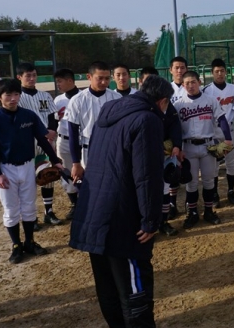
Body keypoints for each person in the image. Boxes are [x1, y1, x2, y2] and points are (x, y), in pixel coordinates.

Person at [69, 75, 173, 328]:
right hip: (122, 218)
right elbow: (146, 175)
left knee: (108, 285)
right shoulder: (147, 119)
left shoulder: (109, 110)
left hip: (94, 211)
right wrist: (150, 220)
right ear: (162, 101)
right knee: (133, 289)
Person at [0, 78, 63, 264]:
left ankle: (30, 242)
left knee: (29, 207)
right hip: (5, 168)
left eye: (16, 94)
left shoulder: (28, 115)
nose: (13, 98)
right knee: (11, 209)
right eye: (8, 95)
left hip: (27, 166)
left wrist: (55, 161)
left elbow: (43, 140)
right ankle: (16, 245)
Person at [173, 70, 233, 229]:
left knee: (208, 180)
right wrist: (178, 147)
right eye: (187, 83)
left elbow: (222, 119)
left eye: (193, 82)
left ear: (199, 82)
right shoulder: (178, 105)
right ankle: (192, 213)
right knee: (191, 183)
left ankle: (208, 211)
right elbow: (175, 129)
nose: (190, 85)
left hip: (208, 146)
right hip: (188, 147)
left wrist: (227, 139)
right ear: (183, 85)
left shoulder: (210, 100)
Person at [16, 62, 61, 227]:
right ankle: (31, 217)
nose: (32, 78)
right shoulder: (17, 97)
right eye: (28, 76)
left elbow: (52, 116)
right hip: (26, 142)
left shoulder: (45, 96)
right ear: (19, 77)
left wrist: (52, 130)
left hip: (46, 141)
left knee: (48, 176)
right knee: (28, 180)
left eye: (34, 75)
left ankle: (48, 212)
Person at [140, 66, 182, 236]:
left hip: (163, 152)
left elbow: (175, 124)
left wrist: (176, 144)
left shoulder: (166, 104)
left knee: (165, 188)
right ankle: (146, 224)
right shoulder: (138, 106)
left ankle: (163, 222)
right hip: (143, 156)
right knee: (145, 191)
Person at [65, 61, 122, 186]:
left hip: (112, 148)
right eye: (99, 78)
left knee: (112, 186)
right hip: (88, 150)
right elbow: (73, 133)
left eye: (107, 78)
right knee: (90, 187)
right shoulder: (77, 100)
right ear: (89, 77)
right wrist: (76, 163)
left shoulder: (117, 98)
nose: (104, 82)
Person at [202, 58, 234, 206]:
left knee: (231, 163)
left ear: (226, 72)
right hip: (214, 130)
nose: (220, 74)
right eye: (217, 71)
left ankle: (231, 191)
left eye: (222, 71)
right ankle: (215, 194)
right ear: (212, 73)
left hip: (229, 129)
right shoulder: (207, 90)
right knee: (214, 164)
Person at [52, 68, 81, 220]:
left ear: (70, 80)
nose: (58, 84)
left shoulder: (84, 96)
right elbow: (54, 121)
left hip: (82, 140)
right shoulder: (58, 100)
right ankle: (75, 204)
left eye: (60, 81)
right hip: (63, 140)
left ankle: (85, 201)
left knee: (83, 171)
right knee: (67, 172)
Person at [167, 57, 188, 219]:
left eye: (182, 67)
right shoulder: (166, 89)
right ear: (171, 70)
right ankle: (172, 203)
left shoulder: (191, 85)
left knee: (188, 170)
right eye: (176, 68)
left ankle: (189, 201)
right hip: (173, 136)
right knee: (172, 171)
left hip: (189, 135)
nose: (179, 71)